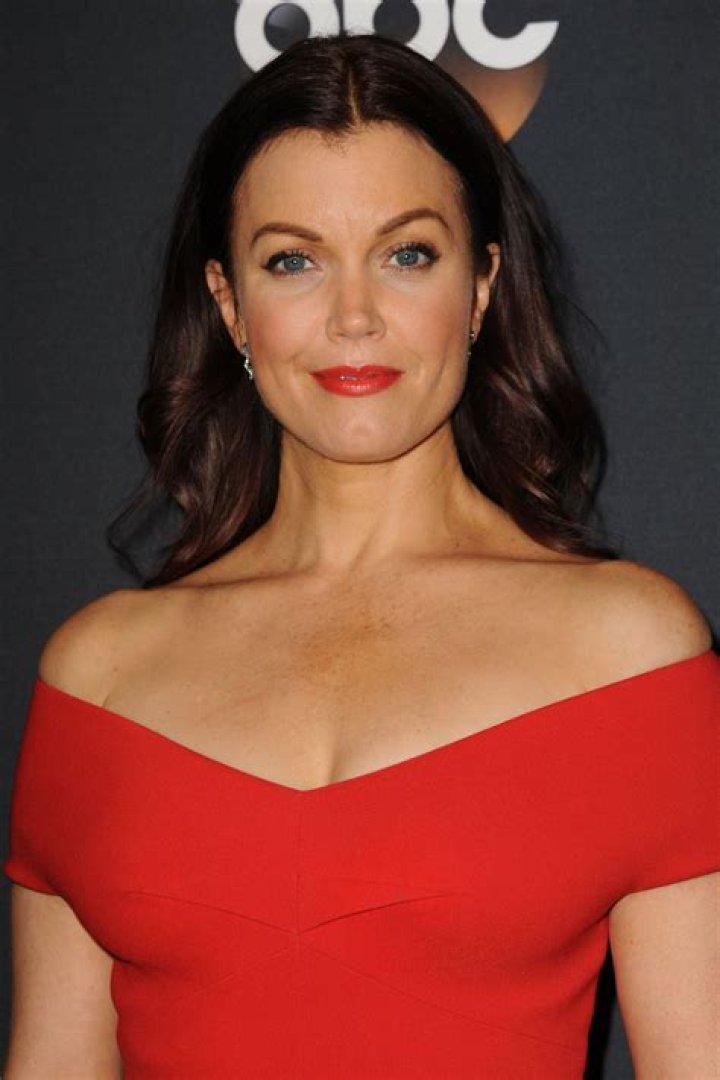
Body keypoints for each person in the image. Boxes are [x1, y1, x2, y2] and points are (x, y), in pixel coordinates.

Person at [3, 31, 718, 1079]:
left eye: (407, 254)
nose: (353, 318)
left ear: (480, 289)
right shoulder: (99, 676)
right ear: (228, 304)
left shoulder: (628, 653)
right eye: (292, 260)